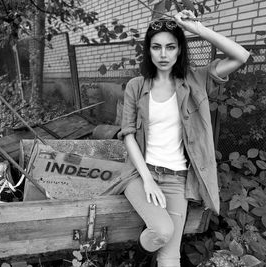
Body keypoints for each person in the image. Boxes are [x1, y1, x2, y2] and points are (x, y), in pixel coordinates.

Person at [102, 9, 250, 267]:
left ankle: (141, 255)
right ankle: (140, 255)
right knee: (162, 230)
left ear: (179, 50)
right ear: (148, 50)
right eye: (156, 47)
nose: (163, 54)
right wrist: (147, 180)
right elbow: (128, 136)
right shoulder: (136, 86)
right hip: (140, 175)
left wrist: (197, 29)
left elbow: (241, 56)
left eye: (170, 47)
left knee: (171, 256)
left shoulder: (195, 80)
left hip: (177, 179)